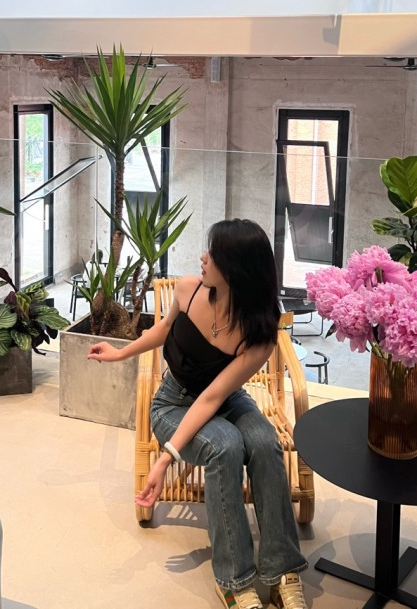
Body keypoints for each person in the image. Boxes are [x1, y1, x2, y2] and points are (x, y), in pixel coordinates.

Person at [88, 219, 309, 609]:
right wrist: (120, 352)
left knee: (263, 441)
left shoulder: (259, 332)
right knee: (225, 445)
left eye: (214, 253)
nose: (203, 258)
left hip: (223, 399)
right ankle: (235, 580)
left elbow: (214, 397)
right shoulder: (189, 290)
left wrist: (163, 460)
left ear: (237, 269)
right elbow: (163, 330)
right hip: (173, 403)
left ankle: (281, 571)